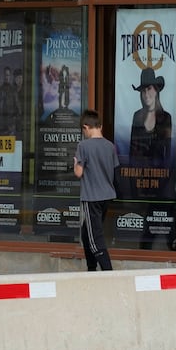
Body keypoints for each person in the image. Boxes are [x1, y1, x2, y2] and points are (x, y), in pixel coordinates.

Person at [73, 108, 117, 271]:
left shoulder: (83, 146)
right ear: (100, 126)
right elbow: (113, 169)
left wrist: (75, 163)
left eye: (83, 130)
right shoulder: (110, 146)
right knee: (87, 232)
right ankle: (91, 269)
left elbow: (79, 173)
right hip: (107, 196)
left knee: (94, 238)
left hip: (92, 197)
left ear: (86, 127)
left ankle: (108, 272)